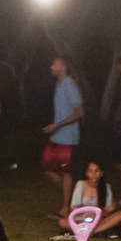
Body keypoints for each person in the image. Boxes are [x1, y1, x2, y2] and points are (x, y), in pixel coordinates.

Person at [42, 57, 84, 216]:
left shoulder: (70, 86)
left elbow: (79, 113)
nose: (51, 66)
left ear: (64, 66)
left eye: (55, 63)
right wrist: (54, 126)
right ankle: (75, 195)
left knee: (66, 172)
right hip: (57, 135)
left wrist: (58, 125)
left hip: (68, 137)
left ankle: (66, 208)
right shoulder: (59, 85)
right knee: (48, 169)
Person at [58, 160, 121, 235]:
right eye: (91, 171)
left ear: (101, 173)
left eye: (96, 171)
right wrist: (86, 214)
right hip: (82, 220)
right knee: (62, 222)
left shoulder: (106, 187)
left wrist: (98, 214)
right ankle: (94, 230)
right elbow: (74, 208)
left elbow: (109, 209)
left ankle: (91, 231)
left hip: (99, 220)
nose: (93, 174)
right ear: (87, 173)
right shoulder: (81, 185)